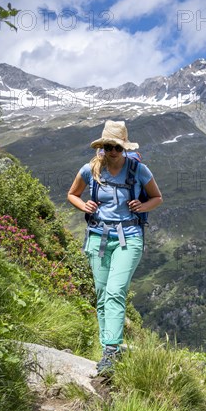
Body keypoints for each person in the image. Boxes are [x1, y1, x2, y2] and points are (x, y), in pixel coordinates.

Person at [67, 120, 163, 374]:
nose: (112, 152)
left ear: (124, 148)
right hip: (97, 237)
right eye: (108, 146)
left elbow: (157, 197)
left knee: (115, 291)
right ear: (102, 147)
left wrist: (143, 207)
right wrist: (82, 205)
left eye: (117, 148)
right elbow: (72, 194)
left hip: (129, 237)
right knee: (101, 295)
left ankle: (112, 351)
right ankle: (107, 349)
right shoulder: (90, 169)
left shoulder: (139, 170)